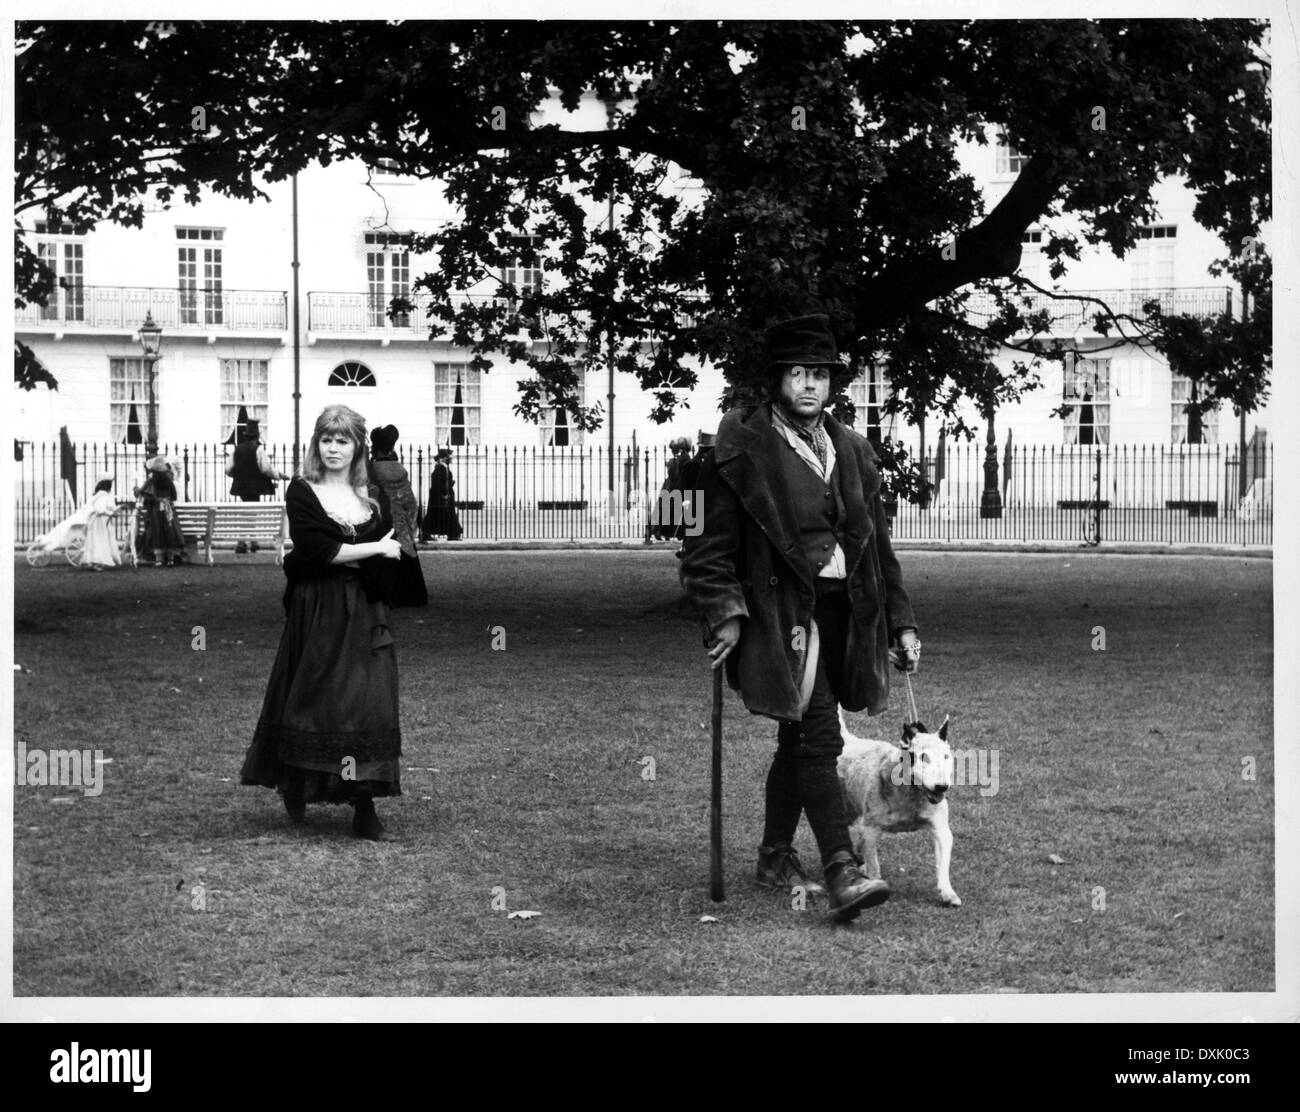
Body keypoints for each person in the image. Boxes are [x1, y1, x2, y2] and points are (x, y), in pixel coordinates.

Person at [679, 313, 923, 922]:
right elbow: (705, 549)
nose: (810, 385)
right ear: (777, 380)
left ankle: (772, 855)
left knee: (797, 738)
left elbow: (879, 548)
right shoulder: (741, 449)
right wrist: (726, 613)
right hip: (784, 615)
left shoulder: (853, 449)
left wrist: (901, 622)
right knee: (819, 735)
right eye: (798, 374)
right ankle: (843, 870)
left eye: (820, 374)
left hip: (847, 616)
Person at [239, 404, 404, 840]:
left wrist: (369, 555)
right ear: (317, 444)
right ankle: (296, 781)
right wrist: (371, 551)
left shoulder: (371, 497)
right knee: (313, 699)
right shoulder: (302, 490)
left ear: (357, 447)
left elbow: (394, 551)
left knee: (367, 702)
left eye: (343, 440)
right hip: (317, 609)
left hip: (365, 611)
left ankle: (364, 807)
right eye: (327, 440)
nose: (334, 448)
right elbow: (317, 551)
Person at [367, 424, 429, 608]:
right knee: (406, 554)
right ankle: (411, 596)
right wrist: (410, 521)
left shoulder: (372, 470)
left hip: (382, 519)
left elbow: (371, 496)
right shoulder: (400, 470)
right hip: (400, 520)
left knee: (383, 555)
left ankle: (388, 596)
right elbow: (411, 501)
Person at [225, 418, 290, 553]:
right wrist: (280, 475)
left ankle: (249, 541)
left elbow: (228, 469)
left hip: (241, 486)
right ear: (257, 436)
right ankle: (245, 542)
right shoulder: (259, 449)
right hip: (255, 487)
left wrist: (238, 476)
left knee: (247, 513)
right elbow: (265, 469)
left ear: (246, 435)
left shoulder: (237, 450)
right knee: (250, 513)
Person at [136, 457, 187, 567]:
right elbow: (174, 496)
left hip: (156, 511)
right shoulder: (169, 481)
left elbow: (144, 495)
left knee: (157, 533)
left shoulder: (151, 481)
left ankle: (158, 560)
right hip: (168, 508)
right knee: (170, 532)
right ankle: (171, 559)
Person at [80, 474, 122, 570]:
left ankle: (97, 561)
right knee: (100, 540)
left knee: (100, 540)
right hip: (100, 521)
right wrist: (111, 513)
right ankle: (97, 562)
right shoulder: (103, 495)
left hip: (103, 521)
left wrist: (114, 511)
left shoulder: (103, 495)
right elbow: (100, 509)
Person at [423, 447, 463, 541]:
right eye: (450, 456)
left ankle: (451, 534)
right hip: (443, 497)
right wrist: (445, 494)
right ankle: (452, 534)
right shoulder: (442, 468)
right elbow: (441, 483)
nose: (451, 458)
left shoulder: (441, 467)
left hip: (439, 496)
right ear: (445, 457)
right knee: (440, 515)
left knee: (437, 515)